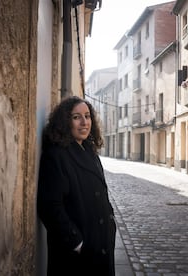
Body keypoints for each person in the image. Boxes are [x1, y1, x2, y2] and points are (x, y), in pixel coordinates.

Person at [37, 96, 116, 276]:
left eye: (87, 116)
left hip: (101, 243)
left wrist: (110, 224)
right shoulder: (56, 156)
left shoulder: (90, 151)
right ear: (65, 121)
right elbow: (49, 207)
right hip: (77, 254)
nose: (84, 122)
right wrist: (77, 243)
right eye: (76, 117)